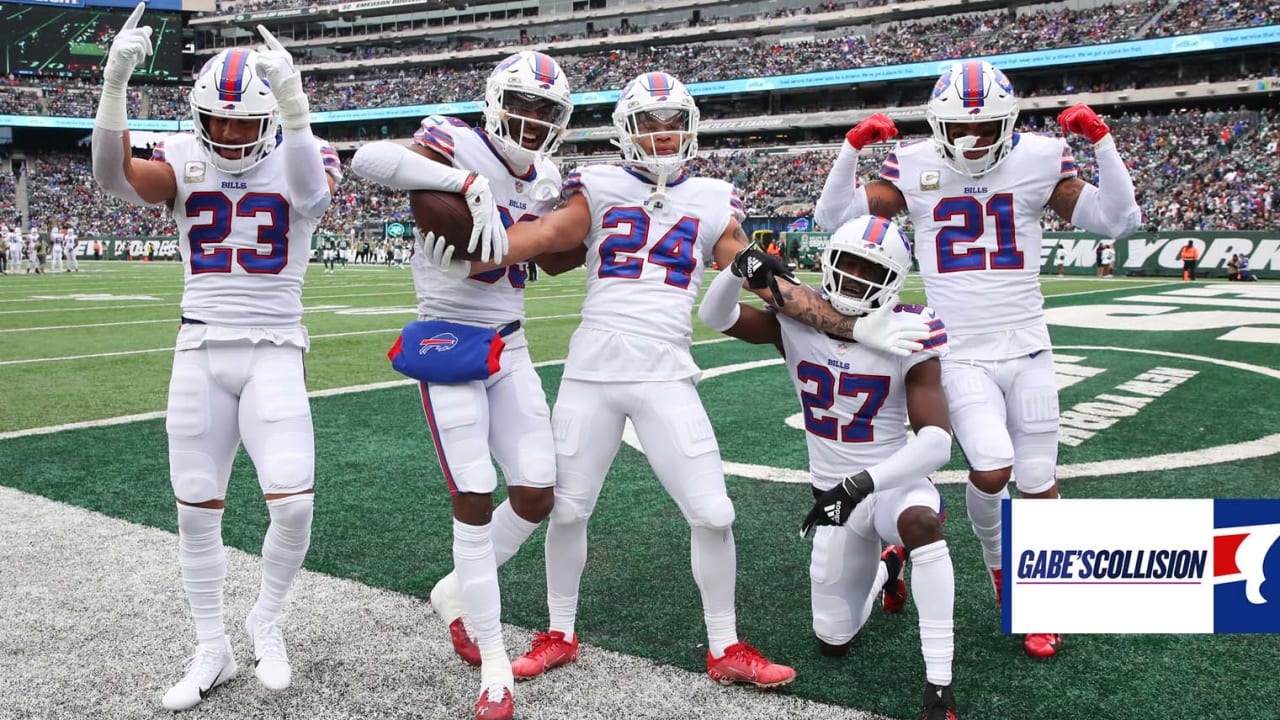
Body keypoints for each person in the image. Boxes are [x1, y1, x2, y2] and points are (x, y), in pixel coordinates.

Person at [419, 71, 934, 689]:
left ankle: (725, 645)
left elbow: (763, 281)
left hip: (667, 370)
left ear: (690, 132)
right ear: (626, 134)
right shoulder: (599, 182)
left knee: (714, 513)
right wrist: (475, 253)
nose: (663, 140)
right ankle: (559, 632)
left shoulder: (716, 197)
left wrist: (849, 328)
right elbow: (546, 237)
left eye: (673, 128)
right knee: (569, 511)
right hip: (593, 372)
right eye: (649, 127)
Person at [814, 60, 1142, 658]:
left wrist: (1103, 141)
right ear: (937, 126)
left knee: (1039, 478)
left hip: (1029, 344)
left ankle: (1032, 596)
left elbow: (1119, 220)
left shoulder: (1040, 158)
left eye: (987, 127)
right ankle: (999, 569)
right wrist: (848, 150)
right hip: (958, 350)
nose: (973, 141)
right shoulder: (913, 165)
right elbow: (833, 219)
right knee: (992, 467)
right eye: (960, 129)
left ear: (1008, 122)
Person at [91, 5, 339, 709]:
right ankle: (212, 648)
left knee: (291, 504)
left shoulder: (304, 150)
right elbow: (112, 177)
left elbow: (312, 196)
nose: (229, 133)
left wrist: (293, 107)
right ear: (200, 114)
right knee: (196, 513)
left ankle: (268, 620)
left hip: (274, 348)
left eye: (243, 121)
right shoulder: (184, 157)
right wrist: (114, 86)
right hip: (199, 345)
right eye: (218, 119)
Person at [350, 50, 572, 720]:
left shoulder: (549, 173)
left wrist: (514, 232)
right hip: (447, 337)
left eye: (546, 110)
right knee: (474, 494)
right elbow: (368, 159)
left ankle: (454, 590)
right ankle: (494, 660)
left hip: (511, 341)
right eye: (523, 105)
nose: (532, 120)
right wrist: (463, 184)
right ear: (495, 101)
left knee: (536, 492)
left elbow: (554, 257)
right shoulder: (454, 135)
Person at [699, 214, 956, 720]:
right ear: (829, 262)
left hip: (890, 486)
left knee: (921, 525)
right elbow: (716, 317)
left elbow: (936, 444)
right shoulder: (796, 319)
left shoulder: (911, 330)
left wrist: (860, 483)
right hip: (830, 496)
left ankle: (940, 686)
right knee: (833, 639)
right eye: (850, 264)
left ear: (895, 281)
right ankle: (888, 567)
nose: (858, 278)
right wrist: (736, 271)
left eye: (872, 270)